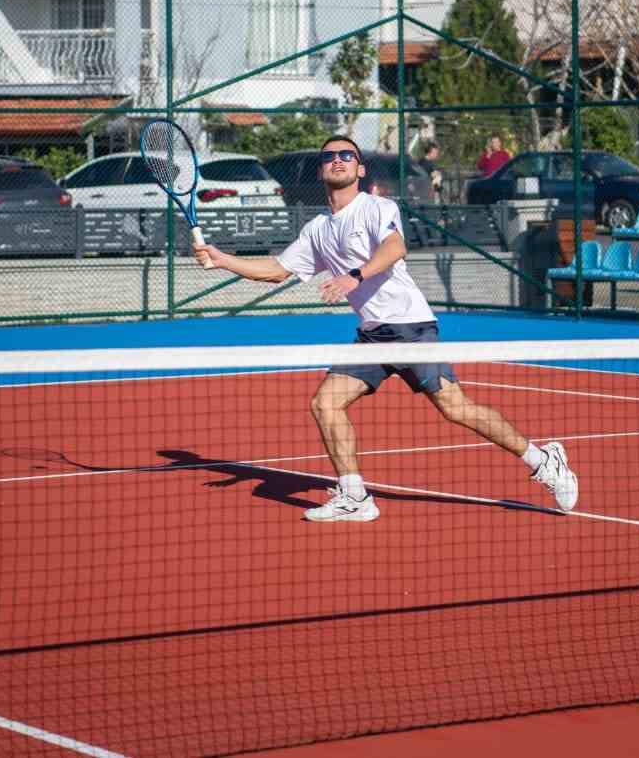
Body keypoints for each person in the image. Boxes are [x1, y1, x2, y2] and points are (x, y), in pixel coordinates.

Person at [193, 135, 578, 522]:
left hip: (410, 326)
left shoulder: (377, 207)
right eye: (330, 156)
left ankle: (544, 459)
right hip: (373, 335)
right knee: (325, 403)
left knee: (455, 408)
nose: (338, 160)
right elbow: (277, 271)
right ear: (321, 169)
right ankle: (355, 496)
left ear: (360, 169)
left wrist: (354, 276)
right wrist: (223, 259)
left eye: (347, 155)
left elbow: (395, 249)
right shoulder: (317, 229)